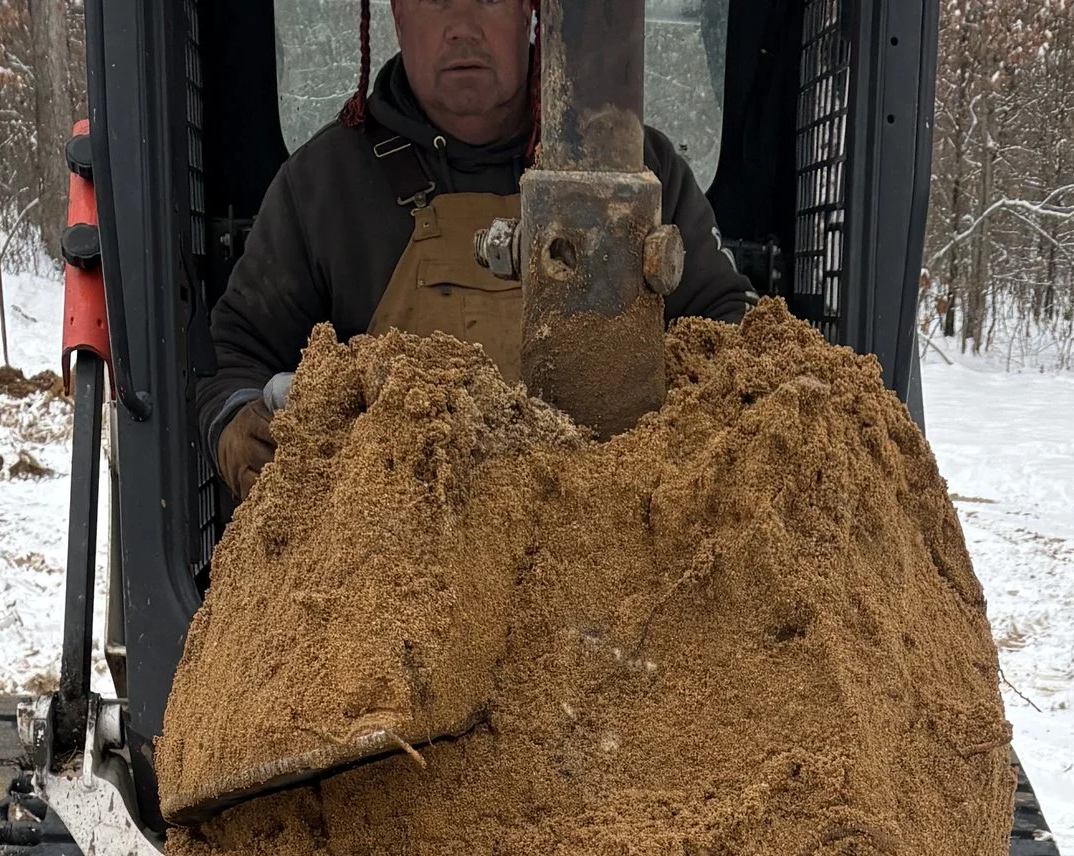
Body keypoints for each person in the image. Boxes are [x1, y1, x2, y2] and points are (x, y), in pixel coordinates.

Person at [204, 0, 749, 500]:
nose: (462, 28)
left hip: (614, 561)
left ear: (531, 12)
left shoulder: (636, 173)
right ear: (396, 15)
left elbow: (731, 336)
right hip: (397, 578)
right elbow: (238, 355)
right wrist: (234, 425)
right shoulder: (322, 186)